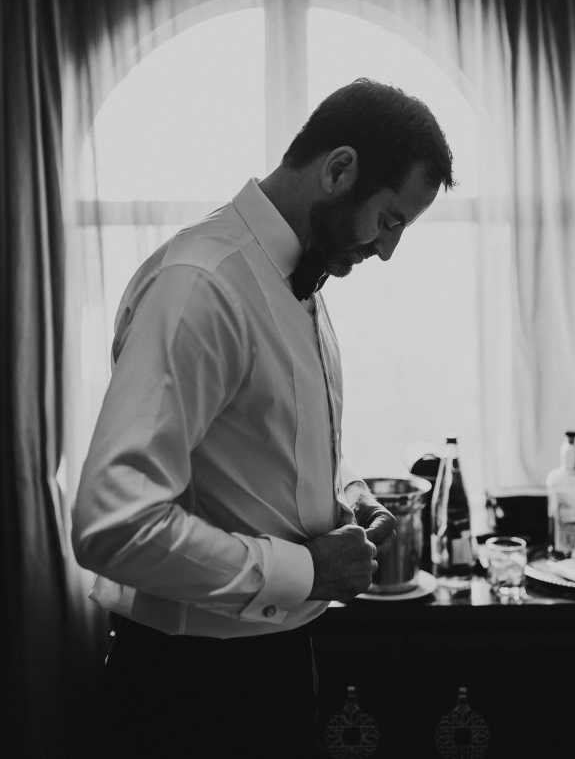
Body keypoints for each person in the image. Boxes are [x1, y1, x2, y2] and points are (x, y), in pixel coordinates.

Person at [71, 77, 455, 759]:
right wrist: (307, 571)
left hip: (274, 667)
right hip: (185, 694)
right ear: (339, 170)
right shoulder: (204, 284)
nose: (389, 250)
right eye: (392, 219)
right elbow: (112, 524)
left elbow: (265, 448)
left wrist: (345, 500)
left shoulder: (300, 280)